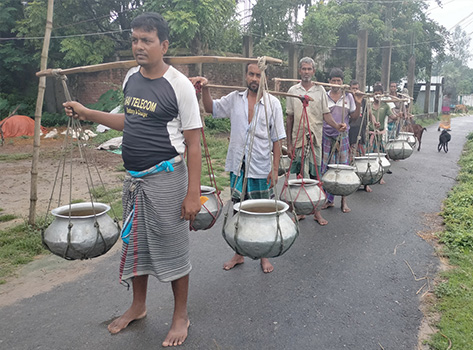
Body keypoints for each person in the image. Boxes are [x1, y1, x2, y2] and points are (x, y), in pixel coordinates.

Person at [63, 12, 202, 347]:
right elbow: (130, 121)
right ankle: (138, 305)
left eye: (146, 40)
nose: (138, 46)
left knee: (172, 249)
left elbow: (194, 143)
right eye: (135, 39)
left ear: (163, 45)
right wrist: (88, 112)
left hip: (167, 180)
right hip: (135, 180)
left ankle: (180, 315)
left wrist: (193, 194)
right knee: (136, 245)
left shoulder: (179, 85)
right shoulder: (130, 78)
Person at [190, 62, 285, 274]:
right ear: (246, 76)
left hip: (261, 166)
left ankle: (264, 255)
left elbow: (278, 138)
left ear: (265, 78)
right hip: (238, 166)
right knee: (237, 211)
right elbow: (210, 108)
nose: (254, 79)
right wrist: (205, 88)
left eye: (258, 75)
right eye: (251, 74)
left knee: (262, 212)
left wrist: (275, 167)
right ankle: (239, 253)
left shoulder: (273, 104)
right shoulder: (235, 99)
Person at [286, 57, 346, 226]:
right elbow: (289, 118)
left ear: (313, 71)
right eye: (303, 69)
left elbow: (325, 114)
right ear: (299, 71)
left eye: (309, 69)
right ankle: (300, 211)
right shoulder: (293, 90)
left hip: (315, 140)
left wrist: (336, 126)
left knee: (315, 176)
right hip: (298, 140)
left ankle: (316, 212)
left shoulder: (320, 91)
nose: (306, 72)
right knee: (300, 177)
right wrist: (289, 143)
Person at [321, 68, 361, 213]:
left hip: (343, 137)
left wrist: (359, 103)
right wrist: (336, 126)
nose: (336, 83)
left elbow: (354, 117)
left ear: (342, 82)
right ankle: (328, 199)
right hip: (326, 135)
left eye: (339, 81)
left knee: (343, 168)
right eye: (333, 81)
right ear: (329, 82)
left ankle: (344, 201)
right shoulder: (324, 96)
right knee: (325, 168)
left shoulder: (348, 97)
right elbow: (323, 116)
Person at [348, 80, 367, 157]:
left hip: (360, 129)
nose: (355, 90)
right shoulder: (347, 99)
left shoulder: (363, 100)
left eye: (357, 88)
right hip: (350, 129)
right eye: (353, 88)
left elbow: (367, 113)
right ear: (350, 89)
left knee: (360, 153)